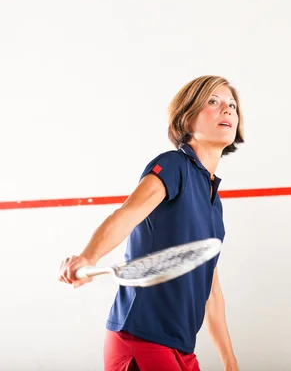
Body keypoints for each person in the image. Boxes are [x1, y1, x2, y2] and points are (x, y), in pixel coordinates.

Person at [57, 75, 244, 371]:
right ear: (187, 117)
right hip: (140, 338)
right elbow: (128, 213)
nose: (227, 110)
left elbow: (211, 289)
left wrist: (230, 362)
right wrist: (89, 256)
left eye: (232, 105)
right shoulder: (173, 165)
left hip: (182, 347)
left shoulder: (214, 202)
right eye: (213, 101)